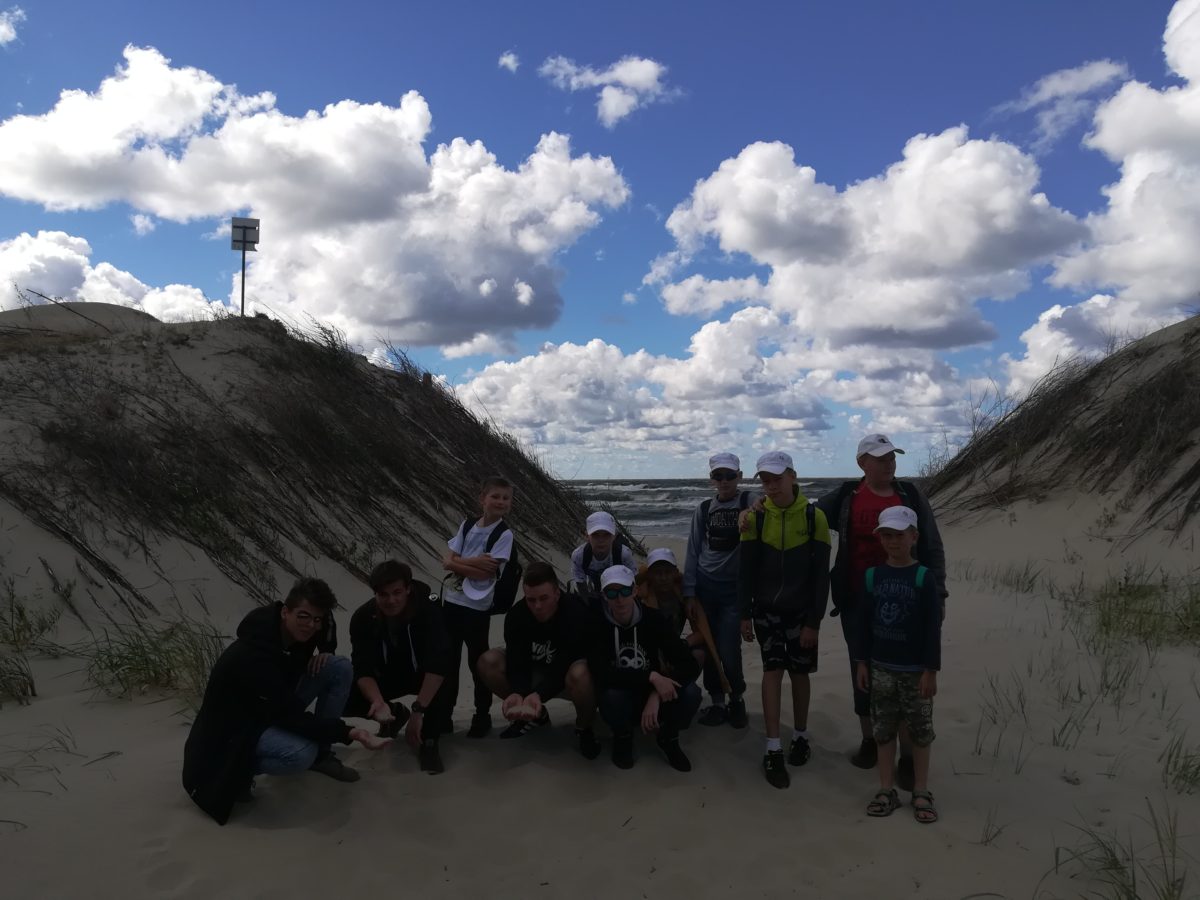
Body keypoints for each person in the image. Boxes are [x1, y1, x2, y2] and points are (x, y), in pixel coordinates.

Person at [182, 578, 391, 825]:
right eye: (303, 616)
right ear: (285, 612)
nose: (310, 625)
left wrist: (326, 649)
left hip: (272, 705)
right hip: (235, 728)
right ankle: (241, 771)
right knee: (301, 753)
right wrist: (350, 732)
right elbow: (288, 714)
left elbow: (326, 620)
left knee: (338, 667)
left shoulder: (306, 629)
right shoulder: (254, 654)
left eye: (316, 619)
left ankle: (323, 756)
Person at [815, 433, 947, 784]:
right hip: (857, 600)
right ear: (863, 463)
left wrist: (939, 593)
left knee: (905, 675)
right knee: (861, 671)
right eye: (881, 458)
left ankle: (907, 756)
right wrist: (756, 507)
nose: (890, 463)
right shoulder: (846, 496)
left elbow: (932, 545)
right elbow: (804, 514)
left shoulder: (910, 495)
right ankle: (870, 741)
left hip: (906, 600)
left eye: (892, 457)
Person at [739, 451, 831, 789]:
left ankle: (801, 736)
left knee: (800, 673)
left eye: (777, 479)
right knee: (772, 670)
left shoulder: (813, 517)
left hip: (801, 612)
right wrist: (744, 613)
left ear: (793, 476)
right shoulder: (754, 519)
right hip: (766, 610)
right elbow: (746, 571)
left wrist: (814, 622)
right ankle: (773, 747)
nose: (771, 486)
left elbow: (821, 576)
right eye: (765, 480)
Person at [855, 505, 941, 824]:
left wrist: (930, 670)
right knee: (884, 730)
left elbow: (932, 628)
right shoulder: (873, 576)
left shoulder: (923, 577)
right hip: (881, 668)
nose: (893, 542)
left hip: (915, 671)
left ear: (913, 537)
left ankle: (921, 790)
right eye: (887, 535)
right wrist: (862, 663)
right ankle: (885, 789)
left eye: (899, 535)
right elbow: (863, 625)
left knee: (920, 732)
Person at [475, 561, 600, 758]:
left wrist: (539, 694)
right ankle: (532, 715)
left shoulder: (575, 612)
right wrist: (518, 692)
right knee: (488, 661)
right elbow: (517, 661)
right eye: (531, 600)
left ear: (557, 594)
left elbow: (567, 661)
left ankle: (584, 728)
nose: (538, 606)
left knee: (581, 674)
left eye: (544, 598)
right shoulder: (517, 615)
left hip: (568, 679)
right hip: (536, 672)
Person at [589, 565, 702, 772]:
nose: (619, 599)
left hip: (651, 694)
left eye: (625, 591)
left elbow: (689, 664)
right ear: (604, 596)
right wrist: (651, 677)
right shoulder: (598, 624)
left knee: (692, 693)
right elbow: (601, 672)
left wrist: (655, 694)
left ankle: (668, 737)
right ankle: (623, 737)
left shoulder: (653, 619)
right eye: (612, 593)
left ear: (635, 591)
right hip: (621, 694)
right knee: (612, 696)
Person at [344, 560, 452, 774]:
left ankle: (430, 741)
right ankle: (395, 715)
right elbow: (363, 668)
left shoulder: (428, 610)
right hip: (389, 675)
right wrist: (377, 701)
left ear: (408, 589)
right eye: (383, 594)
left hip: (425, 674)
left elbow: (438, 665)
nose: (391, 600)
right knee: (345, 695)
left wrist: (418, 713)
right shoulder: (363, 618)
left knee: (445, 677)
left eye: (397, 592)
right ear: (375, 593)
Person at [442, 475, 515, 738]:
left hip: (477, 607)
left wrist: (455, 564)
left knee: (477, 663)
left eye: (506, 498)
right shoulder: (467, 524)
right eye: (495, 496)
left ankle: (482, 715)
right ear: (483, 498)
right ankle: (444, 715)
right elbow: (451, 557)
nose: (500, 502)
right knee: (448, 662)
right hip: (452, 601)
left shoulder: (504, 534)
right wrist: (469, 562)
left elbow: (487, 573)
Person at [683, 452, 751, 729]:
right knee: (710, 649)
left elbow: (772, 505)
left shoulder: (749, 501)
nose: (724, 481)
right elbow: (693, 550)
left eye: (730, 475)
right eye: (718, 476)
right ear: (711, 479)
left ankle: (737, 699)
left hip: (734, 592)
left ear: (739, 476)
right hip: (705, 588)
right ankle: (718, 702)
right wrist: (689, 592)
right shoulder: (703, 509)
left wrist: (749, 512)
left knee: (729, 649)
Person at [635, 547, 708, 674]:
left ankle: (684, 682)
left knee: (700, 652)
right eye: (658, 573)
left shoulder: (684, 596)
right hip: (647, 651)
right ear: (650, 575)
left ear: (675, 573)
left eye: (668, 572)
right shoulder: (641, 599)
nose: (663, 578)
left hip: (675, 648)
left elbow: (703, 631)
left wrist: (683, 644)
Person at [570, 511, 636, 595]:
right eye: (595, 534)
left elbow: (633, 581)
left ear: (614, 536)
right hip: (593, 590)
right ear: (587, 536)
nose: (601, 540)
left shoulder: (624, 554)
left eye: (607, 534)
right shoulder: (579, 556)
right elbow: (580, 583)